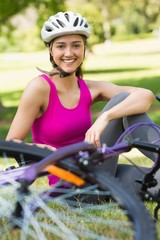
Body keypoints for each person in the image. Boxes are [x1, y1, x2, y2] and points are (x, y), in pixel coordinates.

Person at [6, 11, 158, 195]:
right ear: (50, 50)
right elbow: (12, 142)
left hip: (99, 171)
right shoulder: (39, 88)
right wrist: (45, 151)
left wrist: (105, 117)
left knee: (154, 182)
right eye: (61, 46)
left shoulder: (90, 88)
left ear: (84, 48)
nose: (69, 53)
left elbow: (145, 95)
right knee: (121, 99)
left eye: (76, 45)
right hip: (69, 183)